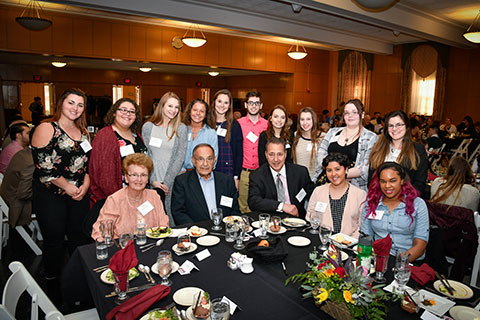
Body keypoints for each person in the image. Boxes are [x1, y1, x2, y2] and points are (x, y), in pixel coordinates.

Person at [31, 88, 91, 280]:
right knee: (54, 241)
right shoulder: (47, 128)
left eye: (80, 104)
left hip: (79, 194)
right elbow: (44, 167)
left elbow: (89, 166)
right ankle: (52, 281)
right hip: (51, 195)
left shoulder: (84, 133)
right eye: (71, 103)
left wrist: (85, 187)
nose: (75, 108)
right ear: (61, 104)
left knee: (78, 238)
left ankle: (76, 279)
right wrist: (67, 187)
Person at [360, 162, 429, 261]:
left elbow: (420, 244)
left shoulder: (418, 204)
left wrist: (400, 263)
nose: (387, 186)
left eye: (393, 181)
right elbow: (366, 237)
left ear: (401, 180)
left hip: (408, 262)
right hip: (378, 259)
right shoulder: (371, 204)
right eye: (383, 181)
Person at [91, 153, 169, 239]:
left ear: (147, 179)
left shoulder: (154, 196)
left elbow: (164, 225)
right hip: (123, 249)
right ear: (126, 178)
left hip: (151, 246)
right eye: (134, 175)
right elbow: (99, 231)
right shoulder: (115, 200)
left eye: (143, 175)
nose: (139, 179)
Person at [89, 98, 146, 203]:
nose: (127, 114)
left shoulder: (136, 135)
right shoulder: (105, 135)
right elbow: (103, 175)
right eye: (123, 110)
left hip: (138, 193)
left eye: (132, 111)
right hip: (117, 197)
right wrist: (118, 199)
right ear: (114, 113)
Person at [142, 92, 187, 222]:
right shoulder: (148, 127)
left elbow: (180, 157)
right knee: (151, 216)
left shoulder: (181, 128)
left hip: (172, 178)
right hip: (152, 177)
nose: (173, 110)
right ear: (161, 106)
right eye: (170, 106)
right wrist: (152, 180)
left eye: (177, 107)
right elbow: (145, 155)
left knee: (171, 216)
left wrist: (166, 183)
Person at [315, 99, 378, 191]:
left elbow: (365, 167)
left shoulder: (371, 137)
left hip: (354, 187)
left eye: (354, 112)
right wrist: (331, 172)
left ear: (362, 114)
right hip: (326, 183)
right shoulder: (333, 132)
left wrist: (338, 174)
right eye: (346, 113)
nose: (350, 116)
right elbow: (321, 153)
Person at [172, 143, 240, 225]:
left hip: (224, 229)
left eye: (209, 159)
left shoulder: (227, 181)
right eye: (200, 159)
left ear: (214, 160)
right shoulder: (182, 182)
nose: (205, 164)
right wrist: (195, 229)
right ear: (193, 161)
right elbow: (178, 212)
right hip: (197, 232)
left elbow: (235, 210)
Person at [248, 137, 313, 218]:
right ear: (266, 155)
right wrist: (282, 206)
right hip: (271, 221)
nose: (275, 159)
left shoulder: (300, 172)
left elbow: (313, 194)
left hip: (297, 221)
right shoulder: (257, 175)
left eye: (280, 154)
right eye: (271, 154)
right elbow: (253, 201)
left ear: (285, 154)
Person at [369, 110, 428, 197]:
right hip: (380, 201)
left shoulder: (418, 150)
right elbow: (371, 181)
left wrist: (401, 201)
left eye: (399, 125)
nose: (395, 129)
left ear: (407, 126)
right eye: (391, 125)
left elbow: (420, 183)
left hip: (407, 201)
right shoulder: (378, 149)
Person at [306, 153, 366, 238]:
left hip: (349, 245)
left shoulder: (360, 194)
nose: (333, 174)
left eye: (337, 169)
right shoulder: (318, 191)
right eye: (329, 170)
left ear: (346, 169)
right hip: (322, 242)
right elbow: (310, 217)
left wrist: (348, 242)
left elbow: (362, 225)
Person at [237, 91, 268, 213]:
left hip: (262, 172)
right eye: (251, 103)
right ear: (246, 105)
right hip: (245, 172)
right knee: (243, 206)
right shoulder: (238, 124)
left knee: (261, 205)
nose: (254, 106)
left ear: (261, 105)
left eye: (256, 103)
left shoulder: (267, 125)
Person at [208, 89, 243, 187]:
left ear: (229, 106)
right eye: (219, 101)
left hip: (227, 172)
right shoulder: (207, 123)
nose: (222, 105)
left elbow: (238, 154)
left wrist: (236, 177)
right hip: (207, 171)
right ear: (214, 102)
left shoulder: (234, 125)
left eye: (226, 102)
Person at [0, 144, 34, 227]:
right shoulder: (30, 161)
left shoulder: (22, 153)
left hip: (7, 195)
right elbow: (23, 194)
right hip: (17, 204)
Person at [181, 99, 218, 172]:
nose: (198, 113)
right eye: (195, 110)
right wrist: (182, 171)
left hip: (202, 174)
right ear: (189, 112)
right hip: (181, 174)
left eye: (202, 111)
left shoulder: (211, 133)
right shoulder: (182, 130)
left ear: (205, 115)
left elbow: (213, 159)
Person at [292, 107, 322, 181]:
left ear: (313, 120)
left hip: (316, 181)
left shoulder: (322, 137)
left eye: (308, 119)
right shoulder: (295, 135)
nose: (305, 123)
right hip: (298, 181)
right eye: (302, 119)